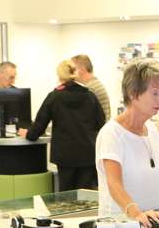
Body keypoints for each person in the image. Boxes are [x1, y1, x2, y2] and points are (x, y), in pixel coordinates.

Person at [95, 61, 159, 227]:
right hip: (122, 226)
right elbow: (114, 184)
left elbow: (147, 177)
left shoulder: (151, 129)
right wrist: (137, 214)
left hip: (156, 221)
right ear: (133, 94)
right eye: (155, 93)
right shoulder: (112, 134)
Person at [25, 60, 104, 191]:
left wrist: (29, 134)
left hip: (65, 155)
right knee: (86, 195)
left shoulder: (54, 97)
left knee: (66, 195)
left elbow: (39, 126)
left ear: (60, 76)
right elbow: (101, 124)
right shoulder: (90, 96)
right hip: (88, 154)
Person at [72, 54, 112, 123]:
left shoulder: (90, 89)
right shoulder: (94, 84)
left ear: (81, 69)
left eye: (72, 70)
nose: (71, 74)